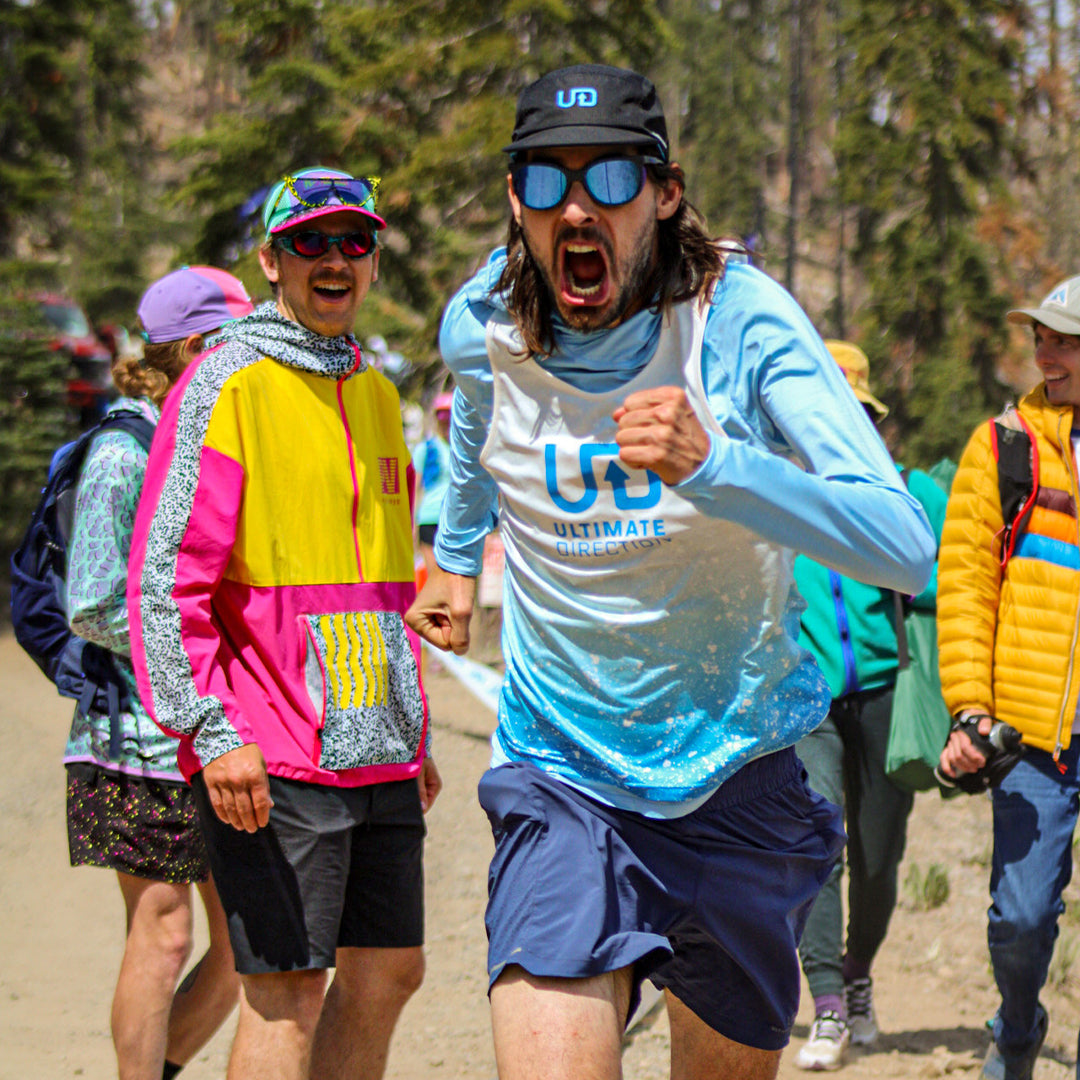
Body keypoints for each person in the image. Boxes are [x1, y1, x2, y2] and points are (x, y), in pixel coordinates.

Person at [406, 63, 937, 1080]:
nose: (576, 208)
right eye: (546, 181)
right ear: (514, 198)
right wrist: (457, 556)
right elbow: (477, 418)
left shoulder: (738, 319)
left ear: (664, 191)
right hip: (562, 770)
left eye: (608, 180)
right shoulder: (481, 320)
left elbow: (901, 543)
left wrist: (720, 468)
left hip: (735, 776)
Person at [127, 167, 441, 1080]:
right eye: (310, 241)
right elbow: (162, 583)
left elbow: (385, 590)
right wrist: (211, 730)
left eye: (354, 241)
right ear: (271, 259)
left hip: (375, 741)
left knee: (389, 972)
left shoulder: (379, 393)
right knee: (287, 988)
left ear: (374, 259)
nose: (335, 258)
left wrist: (410, 724)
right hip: (267, 750)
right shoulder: (226, 381)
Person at [65, 265, 253, 1080]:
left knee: (247, 943)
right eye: (235, 341)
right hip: (130, 739)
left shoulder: (216, 433)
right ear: (191, 347)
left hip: (217, 733)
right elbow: (91, 602)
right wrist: (192, 632)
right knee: (167, 930)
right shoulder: (123, 447)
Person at [791, 341, 949, 1071]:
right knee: (819, 841)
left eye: (853, 414)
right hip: (806, 702)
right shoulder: (777, 496)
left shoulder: (909, 493)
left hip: (888, 694)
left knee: (879, 859)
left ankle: (857, 975)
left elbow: (959, 576)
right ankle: (825, 1003)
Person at [937, 275, 1080, 1080]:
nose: (1044, 353)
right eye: (1042, 337)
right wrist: (970, 709)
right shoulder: (1005, 446)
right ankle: (1018, 1029)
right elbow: (963, 584)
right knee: (1022, 919)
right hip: (1032, 735)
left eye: (1063, 339)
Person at [412, 389, 454, 582]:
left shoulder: (464, 450)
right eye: (442, 415)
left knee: (453, 578)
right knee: (434, 578)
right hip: (429, 518)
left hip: (456, 520)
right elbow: (416, 488)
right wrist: (411, 525)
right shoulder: (425, 449)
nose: (446, 420)